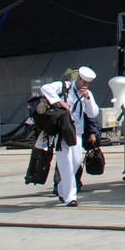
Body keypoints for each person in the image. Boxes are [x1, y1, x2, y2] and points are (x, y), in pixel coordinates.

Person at [41, 66, 99, 207]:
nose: (85, 85)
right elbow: (45, 88)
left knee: (76, 162)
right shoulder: (64, 87)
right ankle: (70, 197)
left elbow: (93, 114)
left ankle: (62, 188)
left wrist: (88, 98)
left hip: (77, 134)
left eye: (88, 83)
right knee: (65, 164)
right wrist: (59, 102)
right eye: (84, 82)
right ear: (78, 78)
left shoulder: (87, 94)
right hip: (62, 132)